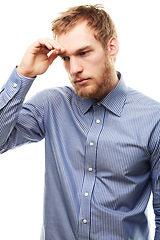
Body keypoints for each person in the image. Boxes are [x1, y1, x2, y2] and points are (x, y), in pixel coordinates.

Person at [0, 4, 159, 240]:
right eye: (65, 57)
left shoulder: (153, 119)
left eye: (84, 53)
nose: (74, 69)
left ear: (111, 47)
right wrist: (24, 74)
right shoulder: (52, 104)